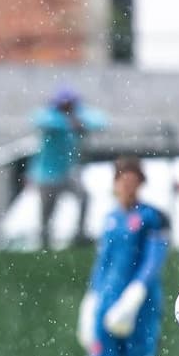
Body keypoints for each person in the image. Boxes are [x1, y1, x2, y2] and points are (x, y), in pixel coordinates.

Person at [76, 156, 169, 356]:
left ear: (140, 184)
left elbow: (153, 260)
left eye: (132, 181)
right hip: (105, 309)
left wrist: (136, 291)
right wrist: (90, 302)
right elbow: (102, 265)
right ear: (115, 184)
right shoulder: (110, 219)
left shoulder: (152, 218)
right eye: (121, 181)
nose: (126, 187)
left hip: (139, 310)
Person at [27, 86, 107, 248]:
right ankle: (44, 243)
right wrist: (69, 123)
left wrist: (79, 122)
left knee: (84, 197)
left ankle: (79, 234)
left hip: (68, 173)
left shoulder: (78, 116)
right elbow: (37, 120)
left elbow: (101, 121)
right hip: (47, 175)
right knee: (47, 213)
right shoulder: (51, 117)